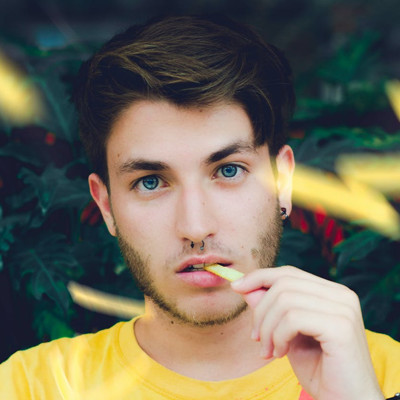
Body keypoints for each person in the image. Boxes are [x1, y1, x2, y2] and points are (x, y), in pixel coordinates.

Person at [1, 14, 399, 400]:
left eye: (228, 171)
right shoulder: (29, 388)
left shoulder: (384, 376)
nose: (195, 227)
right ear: (106, 206)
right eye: (150, 182)